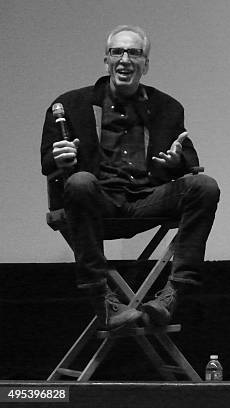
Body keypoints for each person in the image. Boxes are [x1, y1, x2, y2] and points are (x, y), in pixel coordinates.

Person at [40, 25, 220, 330]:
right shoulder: (71, 104)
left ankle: (172, 294)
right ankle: (103, 299)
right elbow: (47, 162)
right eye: (117, 52)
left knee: (204, 186)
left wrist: (177, 161)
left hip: (146, 198)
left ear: (145, 64)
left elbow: (188, 160)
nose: (125, 59)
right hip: (97, 202)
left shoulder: (167, 107)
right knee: (80, 182)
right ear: (106, 60)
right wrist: (59, 158)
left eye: (134, 53)